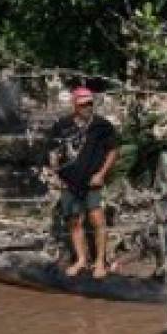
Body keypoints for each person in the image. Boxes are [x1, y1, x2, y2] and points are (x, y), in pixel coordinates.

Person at [47, 87, 118, 278]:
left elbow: (112, 151)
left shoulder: (102, 126)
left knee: (97, 219)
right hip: (69, 183)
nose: (87, 107)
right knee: (74, 221)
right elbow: (53, 151)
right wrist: (55, 175)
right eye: (83, 104)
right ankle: (80, 260)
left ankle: (100, 262)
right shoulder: (62, 125)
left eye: (89, 103)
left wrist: (101, 174)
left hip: (92, 182)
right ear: (75, 105)